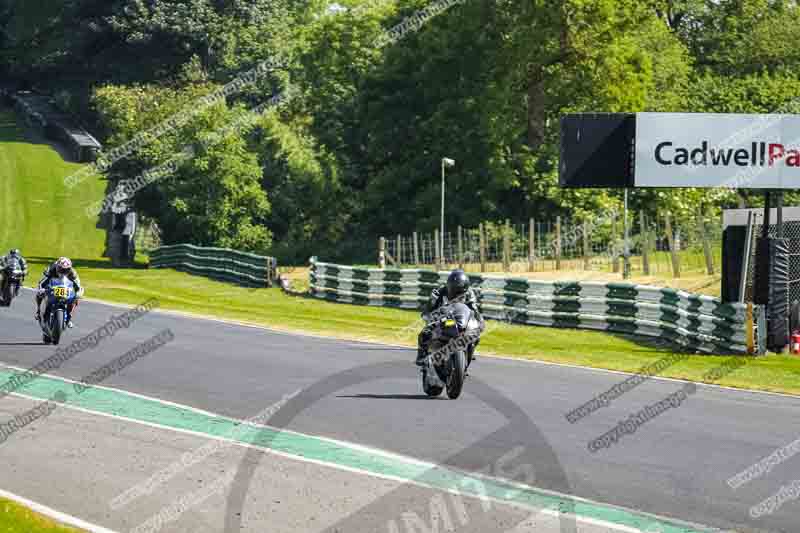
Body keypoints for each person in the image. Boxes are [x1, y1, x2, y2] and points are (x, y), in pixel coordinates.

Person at [416, 269, 480, 366]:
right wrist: (430, 313)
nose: (456, 294)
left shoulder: (469, 294)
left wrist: (478, 321)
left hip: (461, 319)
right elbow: (428, 311)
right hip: (443, 319)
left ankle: (468, 355)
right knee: (424, 333)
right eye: (454, 290)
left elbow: (474, 310)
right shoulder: (439, 292)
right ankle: (421, 355)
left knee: (475, 335)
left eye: (459, 292)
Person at [35, 257, 83, 328]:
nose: (64, 272)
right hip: (51, 286)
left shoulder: (73, 273)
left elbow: (78, 286)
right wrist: (41, 289)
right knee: (39, 294)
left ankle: (69, 317)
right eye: (61, 269)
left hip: (65, 288)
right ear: (57, 267)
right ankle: (38, 311)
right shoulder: (50, 270)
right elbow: (41, 282)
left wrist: (78, 293)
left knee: (75, 299)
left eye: (67, 270)